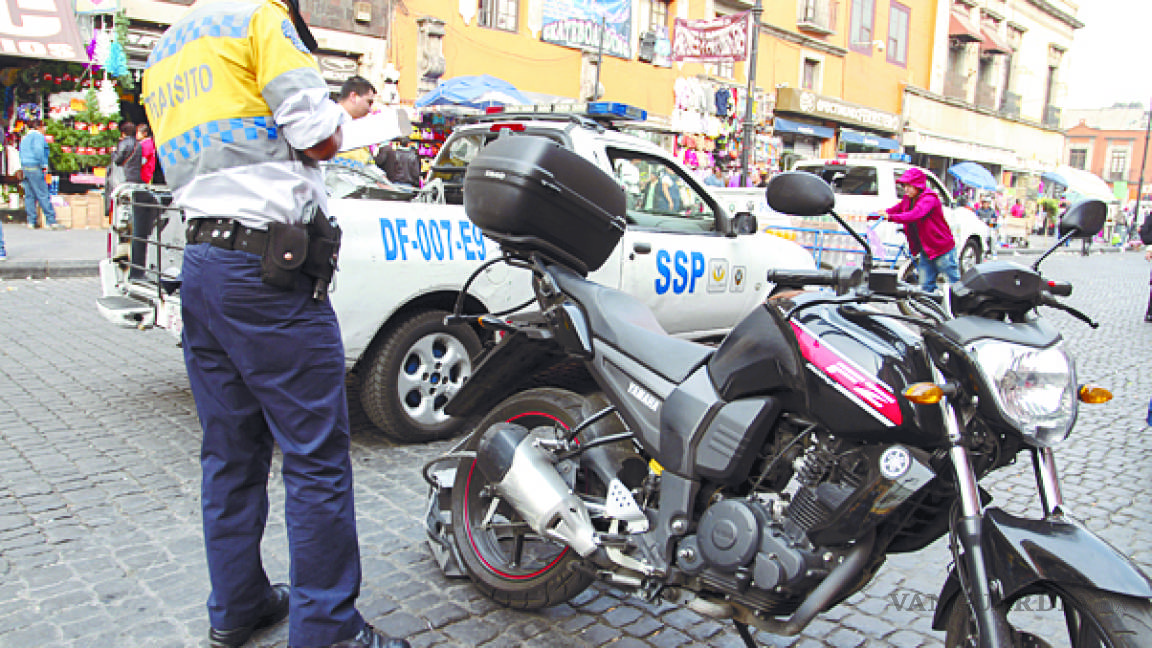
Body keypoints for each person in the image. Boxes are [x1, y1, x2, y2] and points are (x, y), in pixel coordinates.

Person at [141, 1, 410, 647]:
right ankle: (329, 631)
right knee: (315, 458)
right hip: (266, 272)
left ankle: (237, 607)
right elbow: (315, 136)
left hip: (202, 262)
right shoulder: (260, 18)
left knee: (229, 453)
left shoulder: (164, 50)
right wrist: (377, 122)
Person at [870, 167, 959, 291]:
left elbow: (915, 215)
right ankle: (929, 309)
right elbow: (896, 209)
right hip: (926, 250)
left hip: (941, 248)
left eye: (909, 186)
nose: (906, 189)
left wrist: (889, 217)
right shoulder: (908, 199)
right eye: (904, 186)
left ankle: (959, 308)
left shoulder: (929, 199)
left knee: (954, 284)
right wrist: (876, 215)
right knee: (925, 286)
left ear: (918, 186)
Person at [19, 119, 61, 229]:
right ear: (39, 127)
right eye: (44, 127)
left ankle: (31, 221)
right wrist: (43, 164)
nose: (45, 129)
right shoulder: (37, 137)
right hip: (35, 167)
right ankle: (50, 220)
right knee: (42, 193)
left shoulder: (25, 137)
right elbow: (38, 150)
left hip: (25, 167)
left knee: (29, 195)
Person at [333, 75, 377, 170]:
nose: (370, 109)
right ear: (353, 96)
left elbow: (366, 164)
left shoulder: (356, 127)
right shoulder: (331, 121)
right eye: (369, 102)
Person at [106, 121, 141, 215]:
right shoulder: (138, 144)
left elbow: (117, 160)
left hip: (123, 177)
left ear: (123, 132)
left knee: (120, 202)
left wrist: (113, 152)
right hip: (135, 177)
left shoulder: (124, 143)